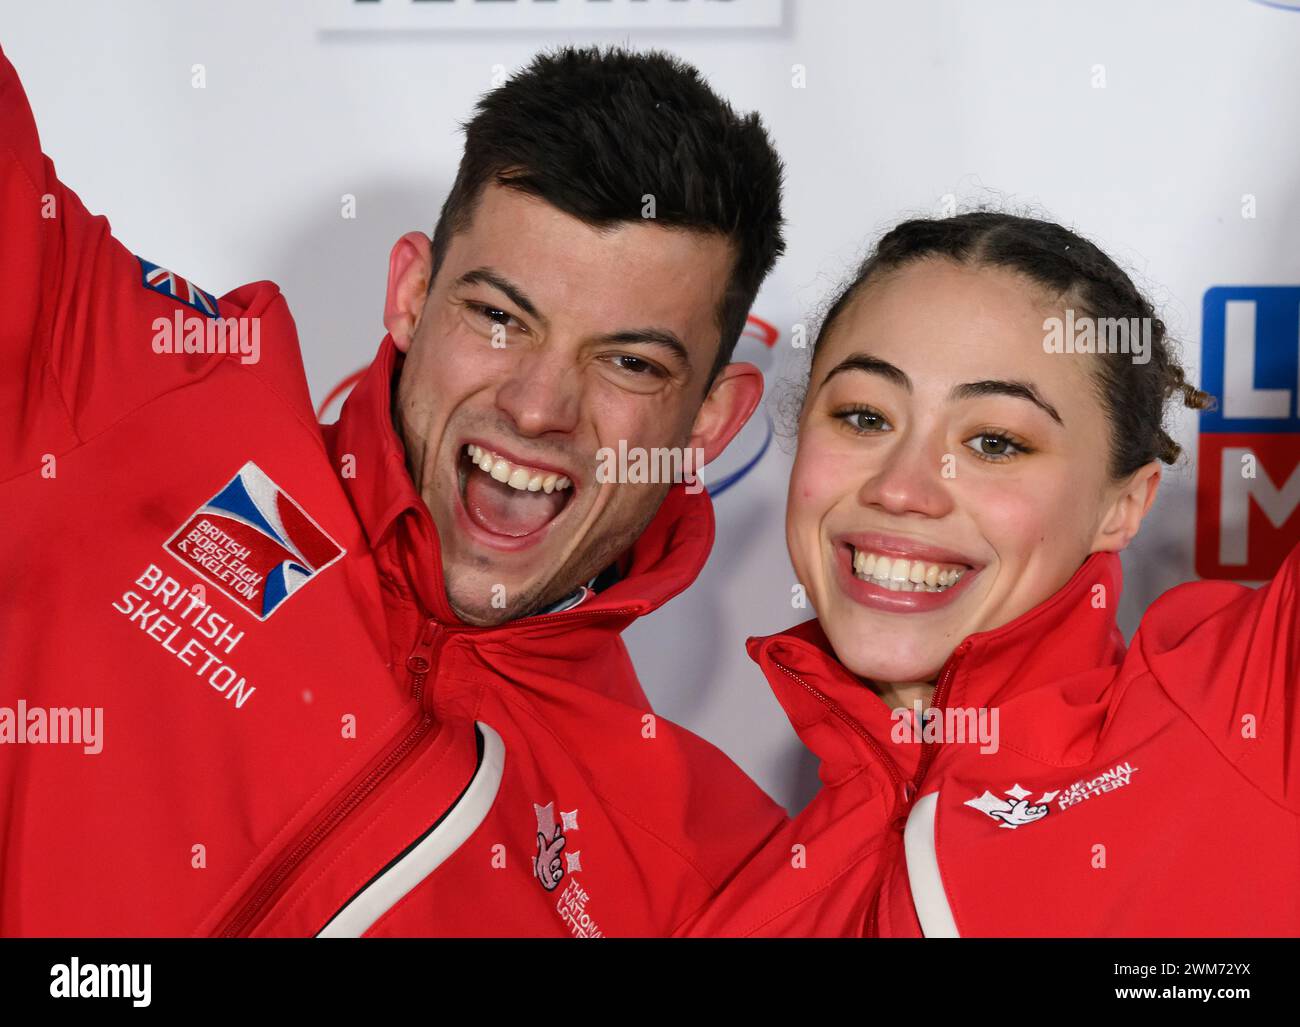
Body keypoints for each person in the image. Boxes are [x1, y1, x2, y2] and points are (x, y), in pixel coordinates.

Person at [0, 43, 789, 936]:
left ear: (710, 419)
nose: (538, 407)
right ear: (412, 293)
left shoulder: (712, 879)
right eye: (498, 316)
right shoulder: (138, 389)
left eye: (630, 363)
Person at [681, 211, 1300, 937]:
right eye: (865, 418)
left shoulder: (1240, 718)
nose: (902, 488)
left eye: (995, 442)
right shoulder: (735, 897)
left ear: (1123, 506)